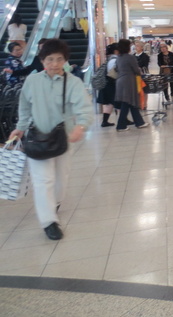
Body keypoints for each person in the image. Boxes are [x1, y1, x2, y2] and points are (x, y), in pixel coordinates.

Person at [9, 39, 92, 241]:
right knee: (43, 180)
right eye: (50, 59)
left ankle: (54, 203)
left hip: (63, 139)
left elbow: (84, 108)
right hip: (36, 139)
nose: (54, 64)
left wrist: (81, 126)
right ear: (42, 60)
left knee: (61, 178)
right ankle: (49, 222)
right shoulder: (32, 81)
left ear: (65, 60)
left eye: (59, 59)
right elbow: (25, 107)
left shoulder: (73, 82)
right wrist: (20, 128)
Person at [114, 39, 149, 132]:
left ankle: (139, 122)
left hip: (120, 81)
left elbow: (116, 69)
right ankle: (121, 125)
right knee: (127, 102)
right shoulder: (130, 57)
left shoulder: (118, 57)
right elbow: (136, 70)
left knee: (131, 102)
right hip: (128, 81)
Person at [96, 43, 119, 127]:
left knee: (110, 103)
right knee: (117, 102)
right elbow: (114, 73)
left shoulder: (109, 59)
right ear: (116, 51)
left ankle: (105, 121)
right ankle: (123, 119)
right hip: (112, 84)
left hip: (108, 84)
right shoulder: (115, 60)